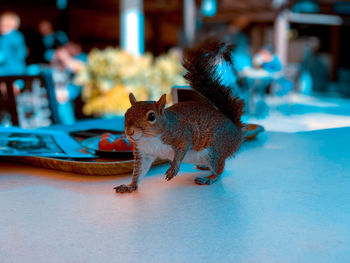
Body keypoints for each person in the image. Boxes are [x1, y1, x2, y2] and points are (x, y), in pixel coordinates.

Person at [50, 42, 87, 124]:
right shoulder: (60, 60)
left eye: (71, 46)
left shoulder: (82, 57)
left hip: (74, 97)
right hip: (61, 95)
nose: (69, 49)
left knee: (64, 108)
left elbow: (80, 68)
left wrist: (65, 57)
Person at [0, 12, 27, 76]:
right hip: (5, 69)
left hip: (13, 69)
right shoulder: (3, 37)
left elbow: (22, 52)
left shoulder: (15, 36)